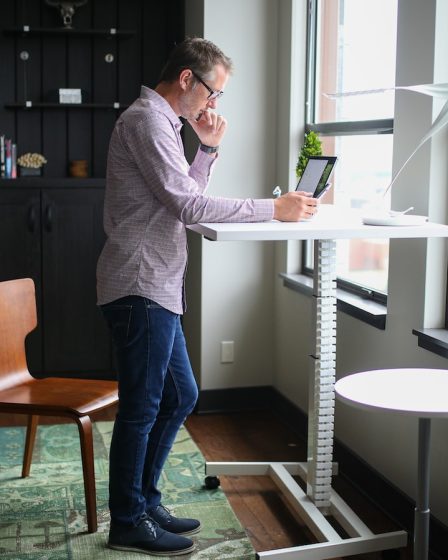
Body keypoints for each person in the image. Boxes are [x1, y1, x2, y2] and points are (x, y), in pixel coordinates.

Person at [96, 37, 318, 556]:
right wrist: (273, 208)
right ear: (187, 80)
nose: (213, 105)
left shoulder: (164, 125)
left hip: (156, 285)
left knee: (180, 395)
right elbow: (190, 208)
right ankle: (127, 519)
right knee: (142, 407)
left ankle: (144, 501)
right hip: (140, 283)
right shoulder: (146, 122)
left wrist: (208, 150)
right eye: (213, 92)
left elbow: (181, 200)